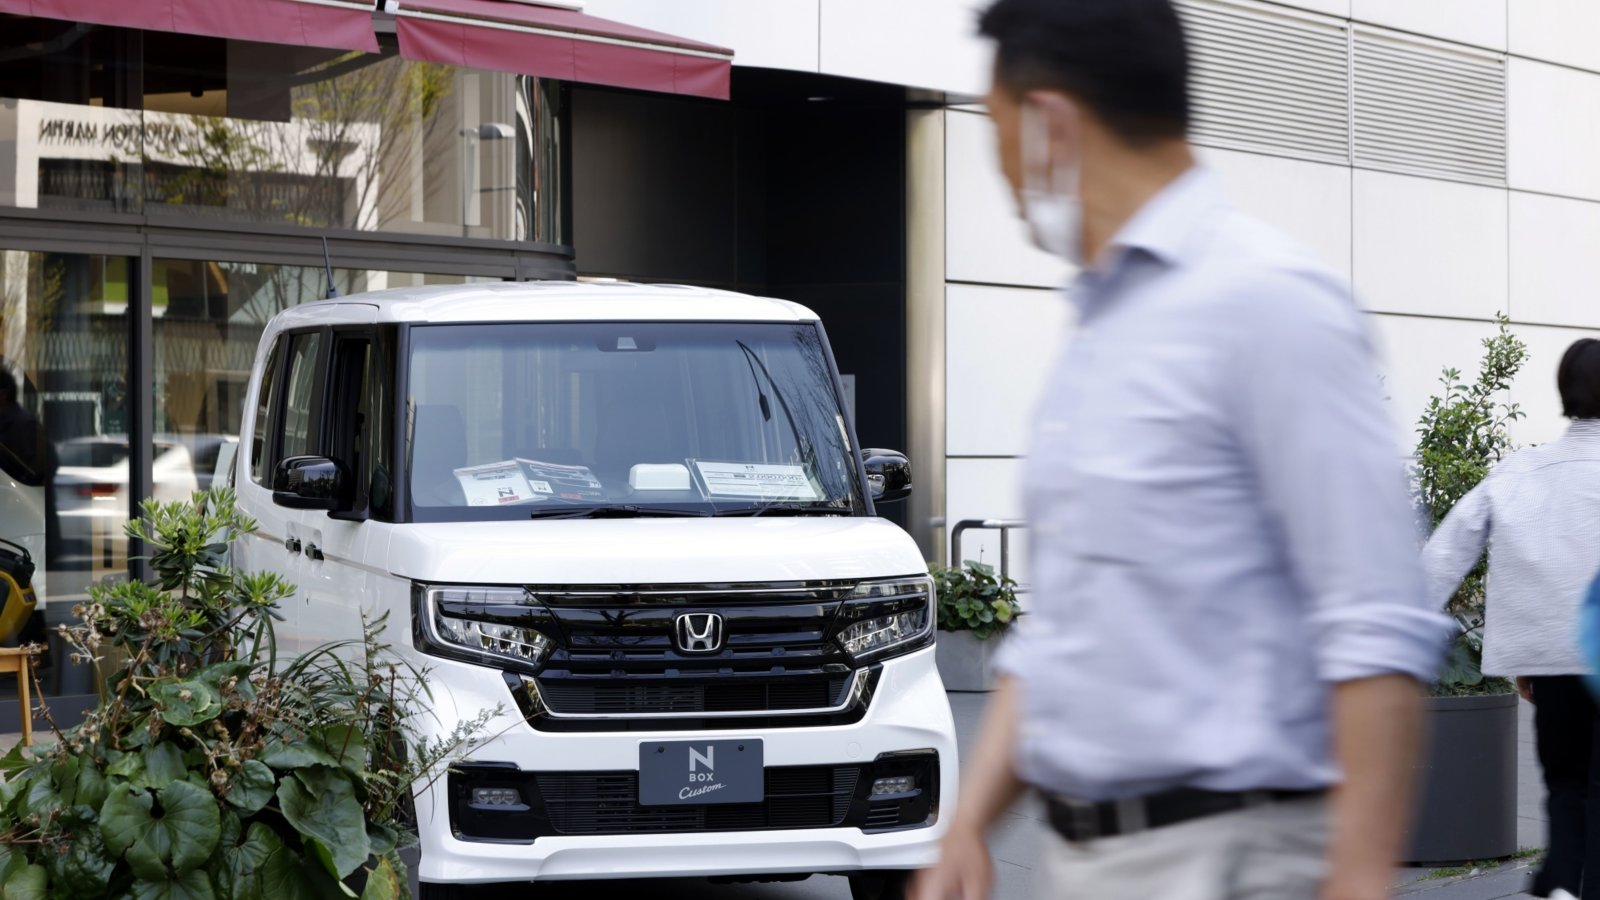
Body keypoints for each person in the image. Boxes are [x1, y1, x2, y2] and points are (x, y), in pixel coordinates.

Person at [911, 2, 1449, 898]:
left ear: (1050, 125)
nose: (1002, 174)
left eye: (997, 131)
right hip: (1090, 858)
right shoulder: (1102, 326)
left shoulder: (1270, 305)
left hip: (1231, 860)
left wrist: (1358, 881)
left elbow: (1376, 621)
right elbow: (1065, 634)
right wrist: (968, 826)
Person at [1424, 338, 1600, 899]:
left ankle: (1560, 885)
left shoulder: (1520, 471)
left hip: (1553, 663)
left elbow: (1444, 554)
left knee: (1567, 789)